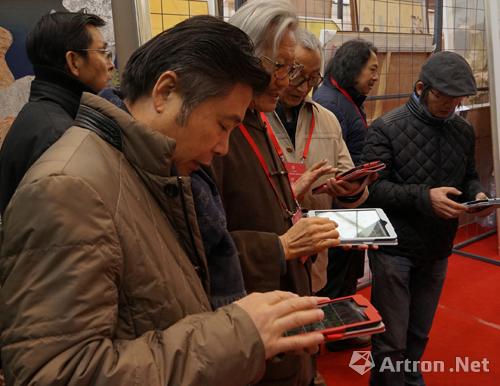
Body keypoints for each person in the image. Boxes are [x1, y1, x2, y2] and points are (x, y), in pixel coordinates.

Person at [0, 15, 328, 386]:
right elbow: (54, 372)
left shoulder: (156, 171)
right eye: (223, 125)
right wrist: (234, 336)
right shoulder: (67, 189)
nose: (223, 148)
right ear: (165, 92)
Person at [212, 2, 341, 385]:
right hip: (251, 323)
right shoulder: (222, 131)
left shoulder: (256, 117)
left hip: (285, 310)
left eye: (296, 71)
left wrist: (290, 197)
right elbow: (199, 249)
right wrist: (281, 246)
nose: (286, 82)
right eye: (281, 67)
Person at [362, 51, 493, 386]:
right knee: (391, 340)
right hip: (394, 249)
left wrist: (478, 197)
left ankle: (409, 377)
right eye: (443, 98)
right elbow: (372, 192)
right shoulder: (385, 129)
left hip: (437, 248)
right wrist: (424, 197)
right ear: (421, 88)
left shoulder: (461, 131)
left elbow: (469, 176)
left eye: (458, 99)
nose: (450, 106)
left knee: (419, 333)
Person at [265, 28, 370, 293]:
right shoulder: (253, 118)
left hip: (316, 259)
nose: (303, 87)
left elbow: (352, 183)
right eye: (297, 75)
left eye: (312, 78)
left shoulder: (327, 119)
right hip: (268, 259)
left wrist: (350, 190)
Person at [0, 11, 115, 215]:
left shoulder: (38, 114)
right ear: (74, 62)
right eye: (103, 53)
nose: (111, 64)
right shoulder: (59, 135)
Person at [313, 38, 379, 165]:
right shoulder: (330, 105)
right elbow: (330, 161)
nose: (376, 77)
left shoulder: (347, 98)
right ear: (354, 67)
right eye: (372, 69)